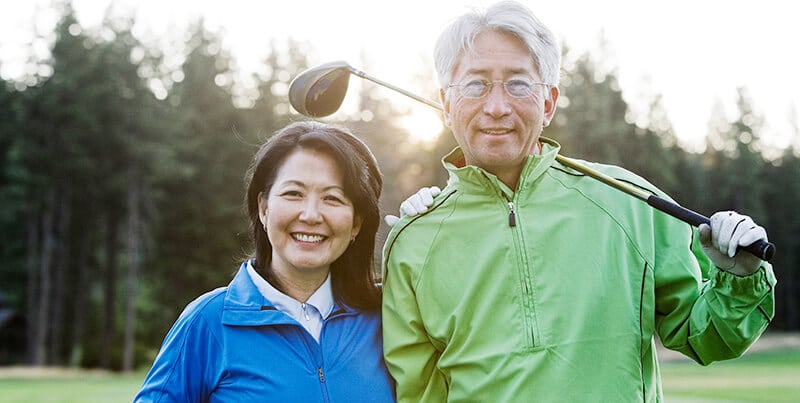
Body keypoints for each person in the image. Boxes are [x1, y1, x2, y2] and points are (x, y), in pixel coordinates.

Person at [380, 1, 777, 402]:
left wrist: (739, 281)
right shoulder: (413, 240)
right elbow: (419, 392)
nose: (496, 107)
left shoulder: (630, 203)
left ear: (549, 102)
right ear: (446, 104)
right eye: (474, 84)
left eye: (518, 84)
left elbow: (707, 338)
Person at [135, 121, 395, 402]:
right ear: (263, 208)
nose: (310, 215)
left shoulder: (387, 315)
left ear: (357, 223)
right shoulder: (208, 321)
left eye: (332, 198)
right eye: (294, 193)